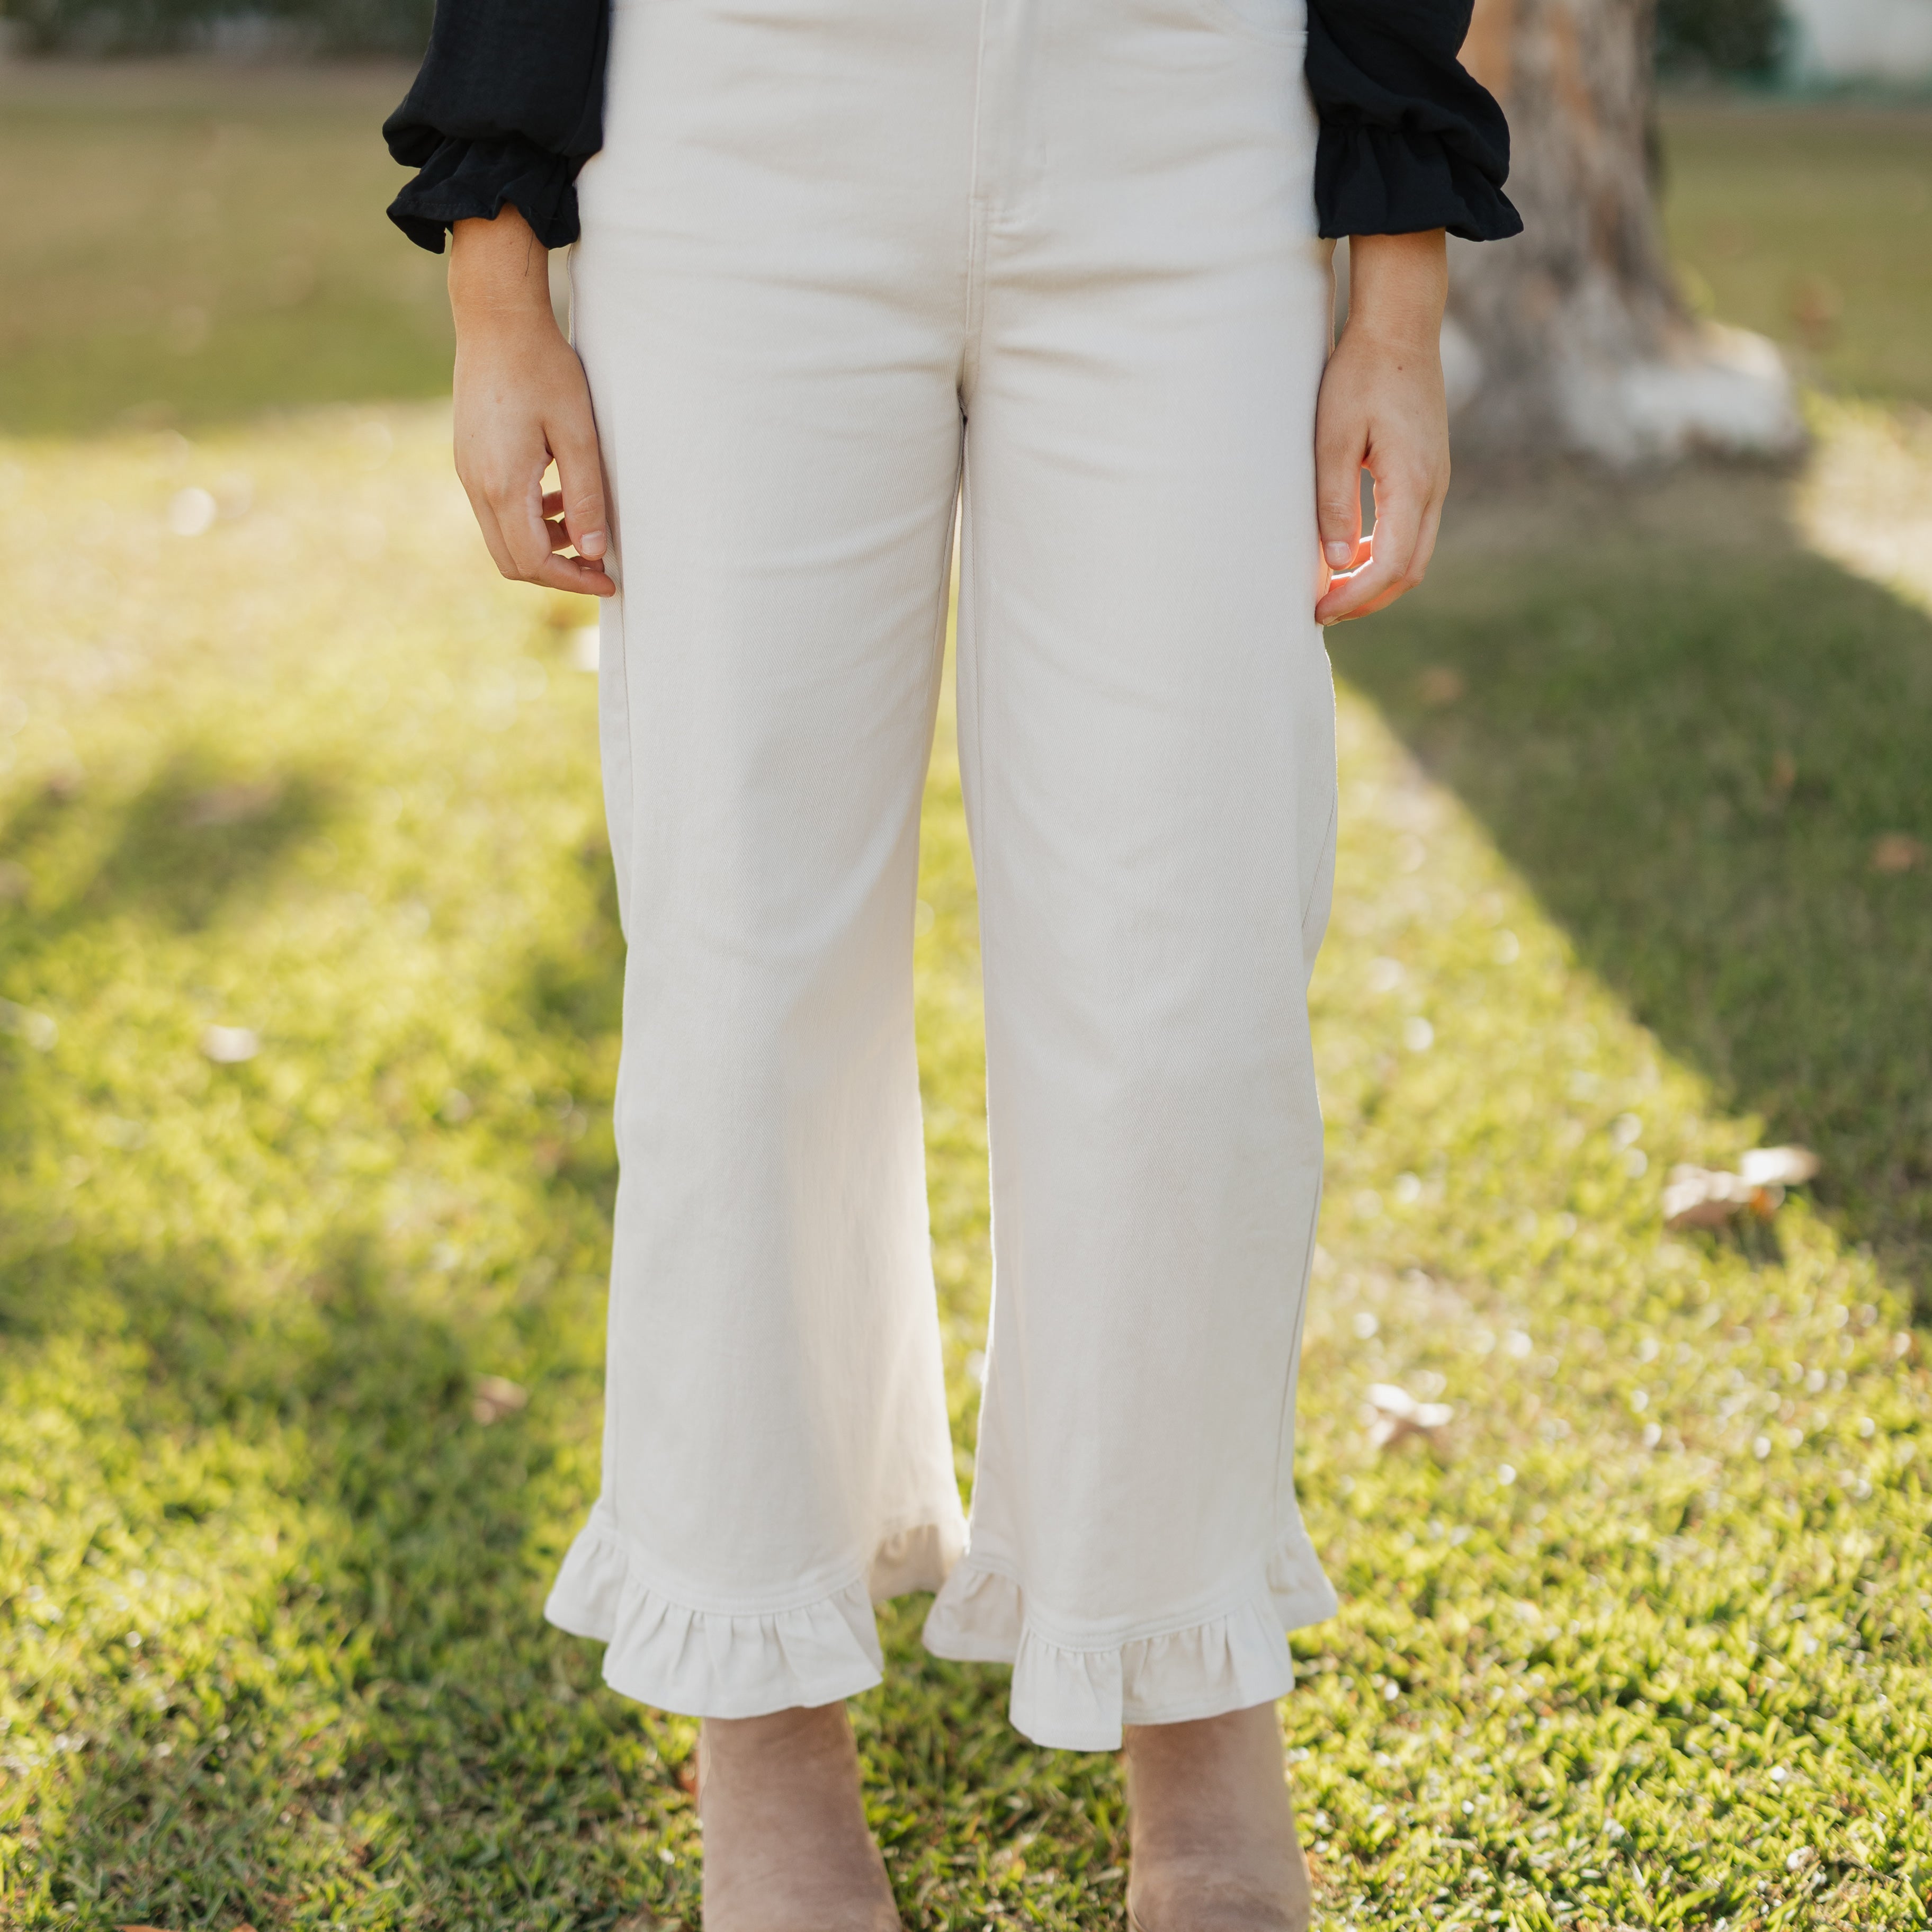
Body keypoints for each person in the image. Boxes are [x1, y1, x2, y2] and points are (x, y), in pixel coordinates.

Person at [384, 2, 1517, 1925]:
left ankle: (1199, 1737)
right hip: (748, 111)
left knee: (1189, 987)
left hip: (1185, 111)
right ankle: (766, 1743)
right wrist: (502, 279)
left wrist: (1392, 295)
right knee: (748, 977)